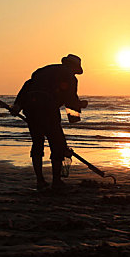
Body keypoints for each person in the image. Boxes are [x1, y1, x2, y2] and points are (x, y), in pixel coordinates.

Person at [11, 54, 88, 190]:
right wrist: (81, 104)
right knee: (57, 143)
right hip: (47, 107)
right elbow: (70, 100)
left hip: (30, 107)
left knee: (37, 142)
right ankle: (56, 181)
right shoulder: (70, 76)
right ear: (73, 67)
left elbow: (27, 85)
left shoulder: (43, 71)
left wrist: (17, 105)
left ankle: (40, 181)